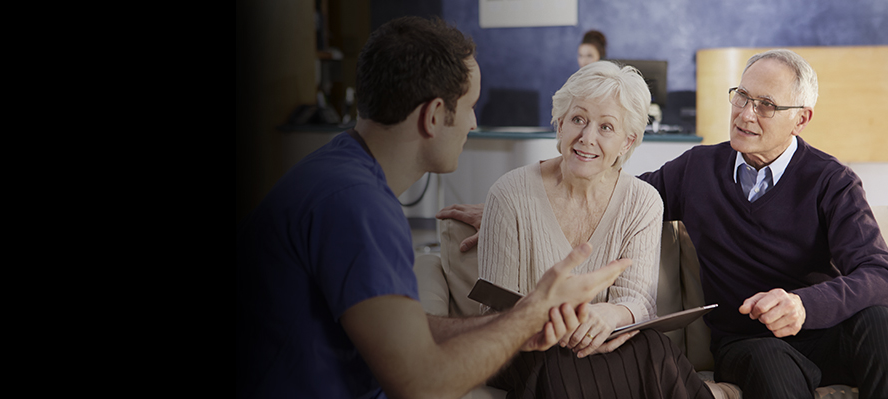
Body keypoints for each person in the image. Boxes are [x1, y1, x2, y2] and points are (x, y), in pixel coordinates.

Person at [437, 49, 888, 399]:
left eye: (766, 105)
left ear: (801, 119)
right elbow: (611, 189)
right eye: (743, 96)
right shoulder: (697, 170)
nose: (746, 113)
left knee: (879, 320)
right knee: (767, 361)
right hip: (749, 339)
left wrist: (804, 305)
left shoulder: (832, 181)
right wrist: (510, 206)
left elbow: (877, 272)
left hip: (820, 330)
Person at [236, 16, 632, 399]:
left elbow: (400, 332)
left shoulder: (340, 172)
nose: (474, 124)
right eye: (470, 106)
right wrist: (529, 315)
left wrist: (522, 318)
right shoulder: (358, 207)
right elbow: (423, 386)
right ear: (433, 116)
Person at [474, 60, 711, 398]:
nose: (587, 138)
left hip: (604, 340)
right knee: (559, 362)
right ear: (559, 124)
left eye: (606, 127)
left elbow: (638, 301)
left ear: (627, 142)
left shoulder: (642, 201)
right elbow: (493, 313)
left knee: (655, 349)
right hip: (529, 349)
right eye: (578, 120)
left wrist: (610, 314)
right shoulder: (509, 194)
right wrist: (557, 323)